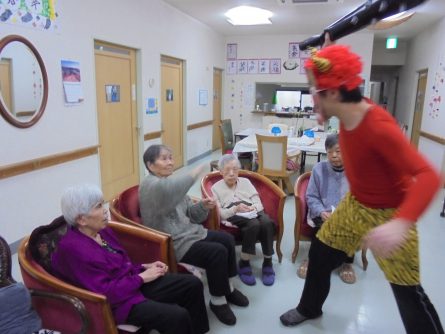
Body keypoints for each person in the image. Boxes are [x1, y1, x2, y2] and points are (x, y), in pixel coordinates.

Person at [280, 42, 444, 334]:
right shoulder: (344, 108)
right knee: (319, 252)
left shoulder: (378, 126)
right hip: (356, 204)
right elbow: (336, 76)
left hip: (392, 214)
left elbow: (429, 176)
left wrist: (401, 224)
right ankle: (309, 307)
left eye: (313, 90)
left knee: (408, 294)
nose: (311, 97)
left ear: (332, 93)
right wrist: (327, 48)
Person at [51, 184, 209, 334]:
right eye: (98, 206)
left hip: (131, 284)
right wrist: (141, 278)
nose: (105, 210)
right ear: (81, 220)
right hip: (116, 304)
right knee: (176, 316)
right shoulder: (74, 250)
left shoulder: (101, 231)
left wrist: (143, 267)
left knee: (192, 284)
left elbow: (120, 264)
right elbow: (104, 293)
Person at [139, 145, 249, 326]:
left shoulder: (168, 181)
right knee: (216, 252)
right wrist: (195, 172)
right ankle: (218, 301)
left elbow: (191, 214)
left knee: (227, 240)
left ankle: (227, 288)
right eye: (164, 158)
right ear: (150, 166)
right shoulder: (150, 185)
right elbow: (170, 191)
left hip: (190, 232)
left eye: (171, 157)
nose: (171, 162)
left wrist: (203, 206)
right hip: (173, 241)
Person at [297, 133, 357, 284]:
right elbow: (311, 196)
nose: (333, 156)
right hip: (322, 211)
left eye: (338, 151)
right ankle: (312, 259)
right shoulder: (319, 169)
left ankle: (347, 263)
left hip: (346, 213)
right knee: (322, 225)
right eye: (329, 152)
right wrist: (321, 211)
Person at [211, 154, 276, 286]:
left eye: (235, 169)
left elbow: (259, 203)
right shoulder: (215, 188)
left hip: (252, 209)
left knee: (267, 223)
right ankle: (244, 262)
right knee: (253, 225)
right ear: (221, 171)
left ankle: (268, 262)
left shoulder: (246, 182)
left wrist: (253, 208)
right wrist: (235, 209)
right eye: (227, 170)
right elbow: (221, 213)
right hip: (233, 211)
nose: (231, 173)